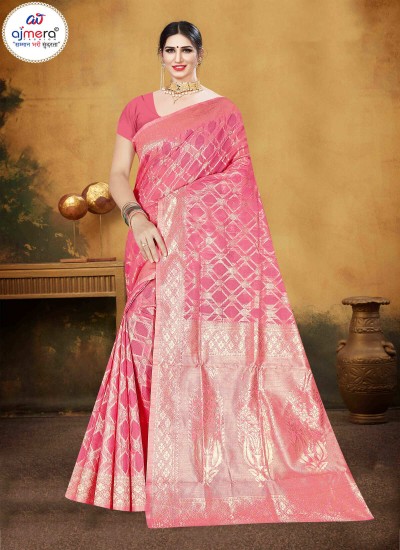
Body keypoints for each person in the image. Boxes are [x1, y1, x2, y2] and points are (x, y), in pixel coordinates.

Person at [65, 20, 374, 529]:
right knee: (142, 341)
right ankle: (141, 477)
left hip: (204, 251)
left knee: (197, 352)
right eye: (170, 49)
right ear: (160, 54)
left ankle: (199, 468)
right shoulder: (137, 108)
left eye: (186, 49)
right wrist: (136, 216)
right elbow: (119, 173)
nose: (178, 58)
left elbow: (239, 179)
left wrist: (183, 207)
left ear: (199, 54)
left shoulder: (223, 111)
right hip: (151, 240)